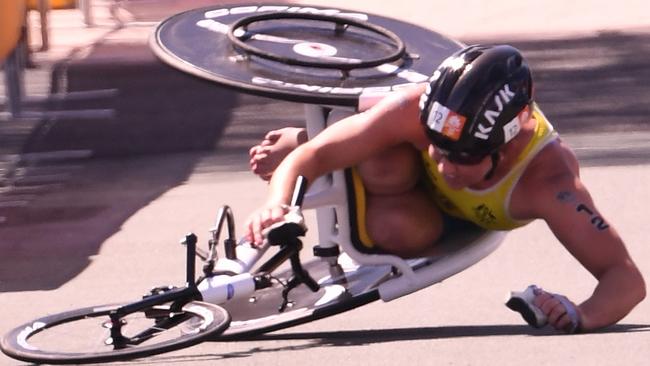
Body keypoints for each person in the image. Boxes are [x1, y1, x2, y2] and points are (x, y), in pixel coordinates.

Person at [244, 44, 645, 333]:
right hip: (394, 161)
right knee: (380, 160)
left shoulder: (550, 182)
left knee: (395, 229)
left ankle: (339, 142)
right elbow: (312, 159)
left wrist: (580, 313)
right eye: (438, 148)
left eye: (463, 157)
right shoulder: (417, 112)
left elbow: (625, 279)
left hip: (442, 222)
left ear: (503, 149)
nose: (444, 165)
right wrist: (278, 204)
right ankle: (319, 133)